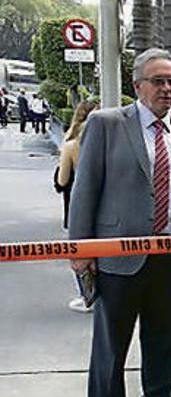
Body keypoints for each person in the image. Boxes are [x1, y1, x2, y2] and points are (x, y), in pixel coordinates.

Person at [68, 48, 171, 397]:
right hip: (118, 258)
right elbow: (85, 189)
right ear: (137, 86)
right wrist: (81, 248)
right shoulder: (107, 124)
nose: (167, 89)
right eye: (158, 81)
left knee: (167, 340)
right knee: (111, 347)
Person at [56, 99, 99, 313]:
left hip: (75, 205)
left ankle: (87, 296)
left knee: (80, 250)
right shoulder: (108, 143)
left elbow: (62, 181)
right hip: (104, 206)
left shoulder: (71, 145)